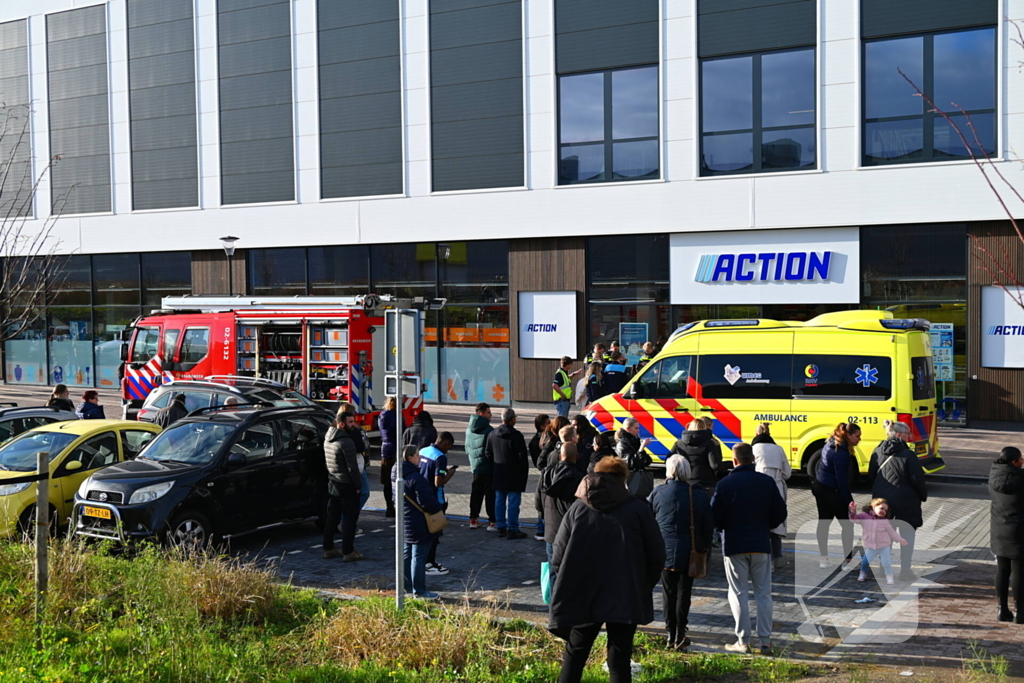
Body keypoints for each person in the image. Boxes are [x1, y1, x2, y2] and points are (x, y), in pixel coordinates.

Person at [549, 456, 666, 683]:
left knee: (575, 652)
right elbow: (657, 555)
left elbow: (558, 554)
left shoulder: (578, 508)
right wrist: (642, 584)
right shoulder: (638, 509)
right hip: (625, 591)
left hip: (584, 592)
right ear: (623, 478)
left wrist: (571, 582)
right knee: (620, 658)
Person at [712, 443, 787, 656]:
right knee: (763, 594)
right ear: (753, 459)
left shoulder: (725, 484)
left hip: (735, 544)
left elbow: (714, 515)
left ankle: (743, 641)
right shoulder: (766, 482)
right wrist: (766, 526)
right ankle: (766, 642)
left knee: (738, 593)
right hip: (761, 543)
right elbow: (780, 512)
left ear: (734, 460)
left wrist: (724, 528)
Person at [649, 455, 713, 650]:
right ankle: (680, 633)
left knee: (668, 592)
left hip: (664, 551)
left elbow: (648, 521)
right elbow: (708, 526)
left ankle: (670, 632)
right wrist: (704, 547)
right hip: (690, 551)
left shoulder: (658, 493)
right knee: (684, 592)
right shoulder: (698, 495)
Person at [869, 419, 927, 582]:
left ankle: (884, 569)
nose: (910, 437)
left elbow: (871, 476)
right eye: (908, 434)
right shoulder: (909, 455)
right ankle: (905, 571)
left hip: (883, 503)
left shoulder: (877, 451)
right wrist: (923, 495)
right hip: (906, 503)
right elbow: (917, 479)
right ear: (900, 435)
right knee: (907, 537)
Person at [813, 422, 861, 569]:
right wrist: (849, 502)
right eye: (857, 436)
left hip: (820, 486)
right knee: (847, 525)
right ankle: (847, 561)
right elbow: (842, 481)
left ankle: (824, 558)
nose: (859, 439)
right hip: (833, 491)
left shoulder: (830, 442)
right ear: (848, 435)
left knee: (824, 523)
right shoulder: (841, 453)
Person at [396, 445, 442, 599]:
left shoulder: (396, 473)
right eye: (417, 455)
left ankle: (406, 587)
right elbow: (427, 502)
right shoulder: (417, 478)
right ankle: (420, 591)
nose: (420, 458)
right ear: (410, 458)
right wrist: (438, 507)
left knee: (407, 554)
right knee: (419, 557)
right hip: (419, 522)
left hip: (404, 520)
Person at [989, 446, 1024, 623]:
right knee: (1019, 572)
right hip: (1018, 531)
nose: (1022, 461)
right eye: (1020, 458)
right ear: (1014, 461)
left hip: (999, 529)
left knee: (1002, 570)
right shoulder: (1021, 478)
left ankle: (1002, 610)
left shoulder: (994, 474)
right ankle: (1020, 612)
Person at [323, 412, 363, 562]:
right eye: (350, 422)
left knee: (332, 518)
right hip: (347, 484)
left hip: (334, 482)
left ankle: (328, 549)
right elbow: (352, 468)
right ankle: (348, 551)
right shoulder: (346, 442)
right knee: (350, 519)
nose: (353, 425)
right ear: (341, 424)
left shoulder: (328, 438)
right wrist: (358, 485)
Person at [485, 408, 530, 539]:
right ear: (512, 419)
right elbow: (522, 457)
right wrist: (523, 473)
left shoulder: (492, 434)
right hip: (514, 474)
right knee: (513, 502)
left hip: (499, 473)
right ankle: (513, 529)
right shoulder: (517, 436)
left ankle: (501, 527)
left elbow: (487, 453)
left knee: (499, 500)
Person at [752, 423, 791, 569]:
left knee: (761, 523)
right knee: (776, 522)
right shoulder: (778, 449)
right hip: (777, 487)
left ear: (756, 434)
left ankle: (764, 559)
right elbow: (787, 473)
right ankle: (776, 556)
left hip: (758, 488)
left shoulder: (753, 449)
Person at [540, 442, 585, 567]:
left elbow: (539, 501)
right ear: (576, 456)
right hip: (570, 531)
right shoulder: (579, 478)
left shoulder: (546, 474)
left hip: (551, 529)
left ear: (560, 456)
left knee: (552, 568)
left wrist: (544, 517)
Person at [419, 432, 456, 575]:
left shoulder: (423, 451)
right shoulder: (440, 457)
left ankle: (423, 561)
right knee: (434, 532)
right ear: (445, 443)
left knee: (424, 532)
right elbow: (438, 482)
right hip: (435, 500)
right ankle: (429, 564)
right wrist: (449, 475)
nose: (448, 451)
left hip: (421, 497)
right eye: (449, 447)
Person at [848, 497, 907, 586]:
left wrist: (900, 539)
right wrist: (853, 511)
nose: (883, 511)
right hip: (871, 546)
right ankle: (863, 572)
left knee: (886, 562)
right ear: (873, 506)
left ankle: (889, 575)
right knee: (865, 562)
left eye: (885, 510)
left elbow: (891, 532)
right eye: (882, 508)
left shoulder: (885, 521)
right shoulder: (864, 516)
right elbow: (854, 519)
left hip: (884, 546)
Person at [669, 417, 722, 495]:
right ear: (705, 428)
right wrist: (731, 464)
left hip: (683, 482)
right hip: (705, 483)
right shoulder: (710, 443)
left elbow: (668, 460)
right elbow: (715, 465)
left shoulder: (678, 444)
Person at [465, 402, 496, 531]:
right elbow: (492, 451)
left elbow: (467, 448)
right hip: (488, 467)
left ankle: (473, 519)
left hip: (475, 467)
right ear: (481, 414)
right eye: (488, 413)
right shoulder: (490, 431)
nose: (491, 415)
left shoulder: (468, 429)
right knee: (490, 495)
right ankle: (492, 522)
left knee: (476, 493)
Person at [615, 417, 654, 499]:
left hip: (638, 477)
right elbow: (630, 463)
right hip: (631, 478)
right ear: (628, 429)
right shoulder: (622, 444)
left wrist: (642, 452)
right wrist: (641, 448)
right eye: (636, 428)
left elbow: (647, 460)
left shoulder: (634, 440)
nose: (638, 430)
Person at [378, 397, 399, 517]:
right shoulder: (397, 416)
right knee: (397, 479)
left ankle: (389, 507)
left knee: (387, 481)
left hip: (385, 450)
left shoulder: (382, 415)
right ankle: (397, 506)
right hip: (396, 449)